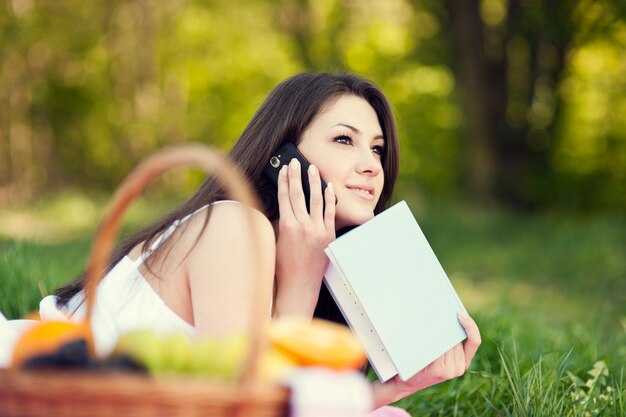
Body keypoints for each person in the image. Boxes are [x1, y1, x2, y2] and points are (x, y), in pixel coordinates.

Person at [44, 72, 481, 414]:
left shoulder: (323, 270)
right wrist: (301, 282)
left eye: (378, 150)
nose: (371, 165)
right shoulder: (235, 225)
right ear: (282, 157)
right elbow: (247, 409)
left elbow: (291, 406)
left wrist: (402, 386)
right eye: (345, 140)